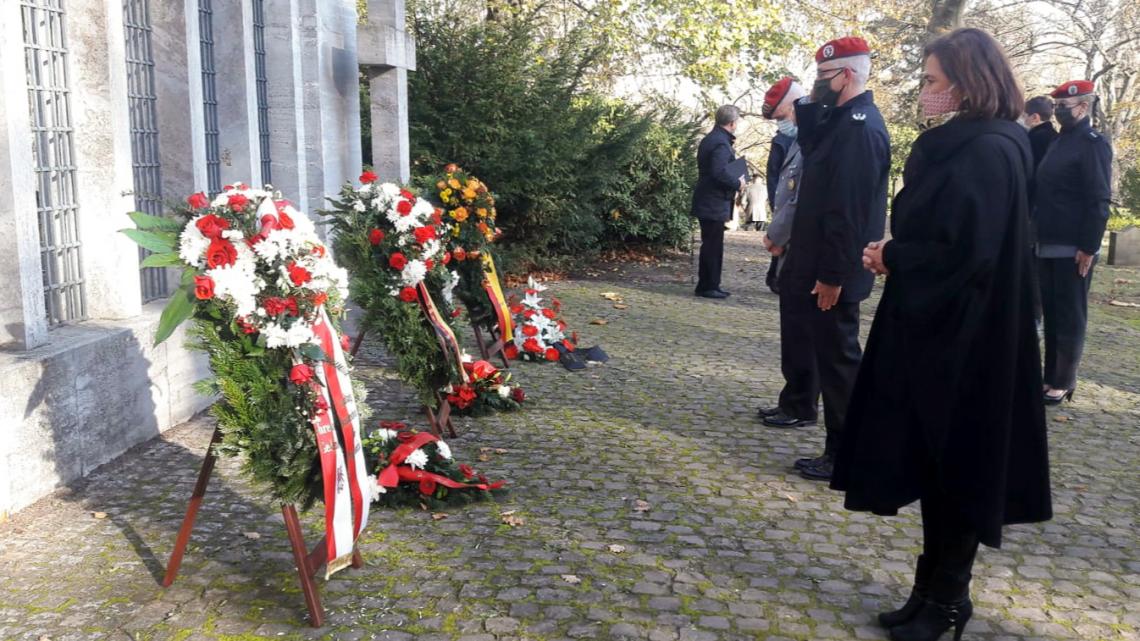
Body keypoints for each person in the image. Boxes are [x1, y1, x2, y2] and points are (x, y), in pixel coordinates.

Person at [831, 28, 1051, 641]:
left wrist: (893, 254)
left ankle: (948, 602)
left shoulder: (983, 150)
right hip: (952, 330)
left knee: (956, 466)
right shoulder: (986, 144)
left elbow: (966, 250)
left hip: (963, 338)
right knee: (937, 463)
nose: (923, 91)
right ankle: (931, 590)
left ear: (965, 82)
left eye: (931, 81)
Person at [777, 36, 890, 480]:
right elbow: (813, 147)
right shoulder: (841, 121)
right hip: (820, 264)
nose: (815, 85)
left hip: (833, 271)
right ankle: (842, 448)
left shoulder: (860, 128)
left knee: (840, 365)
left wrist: (831, 275)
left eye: (823, 77)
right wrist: (811, 105)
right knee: (831, 359)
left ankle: (846, 454)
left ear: (846, 75)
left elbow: (847, 212)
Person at [1034, 80, 1113, 404]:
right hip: (1047, 239)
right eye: (1055, 107)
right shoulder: (1059, 141)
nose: (1058, 111)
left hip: (1073, 244)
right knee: (1051, 313)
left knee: (1069, 315)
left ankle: (1063, 380)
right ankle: (1049, 376)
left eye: (1064, 106)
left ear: (1082, 105)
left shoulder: (1092, 143)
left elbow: (1098, 198)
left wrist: (1089, 246)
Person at [754, 78, 819, 429]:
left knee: (801, 332)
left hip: (800, 244)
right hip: (792, 244)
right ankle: (793, 399)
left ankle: (800, 404)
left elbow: (796, 198)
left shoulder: (809, 141)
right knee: (793, 330)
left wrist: (775, 235)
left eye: (782, 114)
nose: (782, 122)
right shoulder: (798, 140)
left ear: (795, 104)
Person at [691, 105, 746, 299]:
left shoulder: (711, 139)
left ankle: (708, 283)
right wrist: (738, 183)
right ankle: (709, 285)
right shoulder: (721, 143)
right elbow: (719, 171)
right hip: (713, 201)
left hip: (708, 199)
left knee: (711, 243)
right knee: (713, 245)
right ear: (732, 123)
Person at [763, 92, 798, 294]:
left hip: (788, 196)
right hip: (782, 196)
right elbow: (773, 173)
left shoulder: (799, 139)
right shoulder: (781, 141)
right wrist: (775, 200)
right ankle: (774, 275)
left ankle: (776, 275)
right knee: (780, 237)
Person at [1023, 96, 1057, 169]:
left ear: (1035, 117)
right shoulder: (1055, 135)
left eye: (1024, 116)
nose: (1024, 119)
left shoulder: (1034, 138)